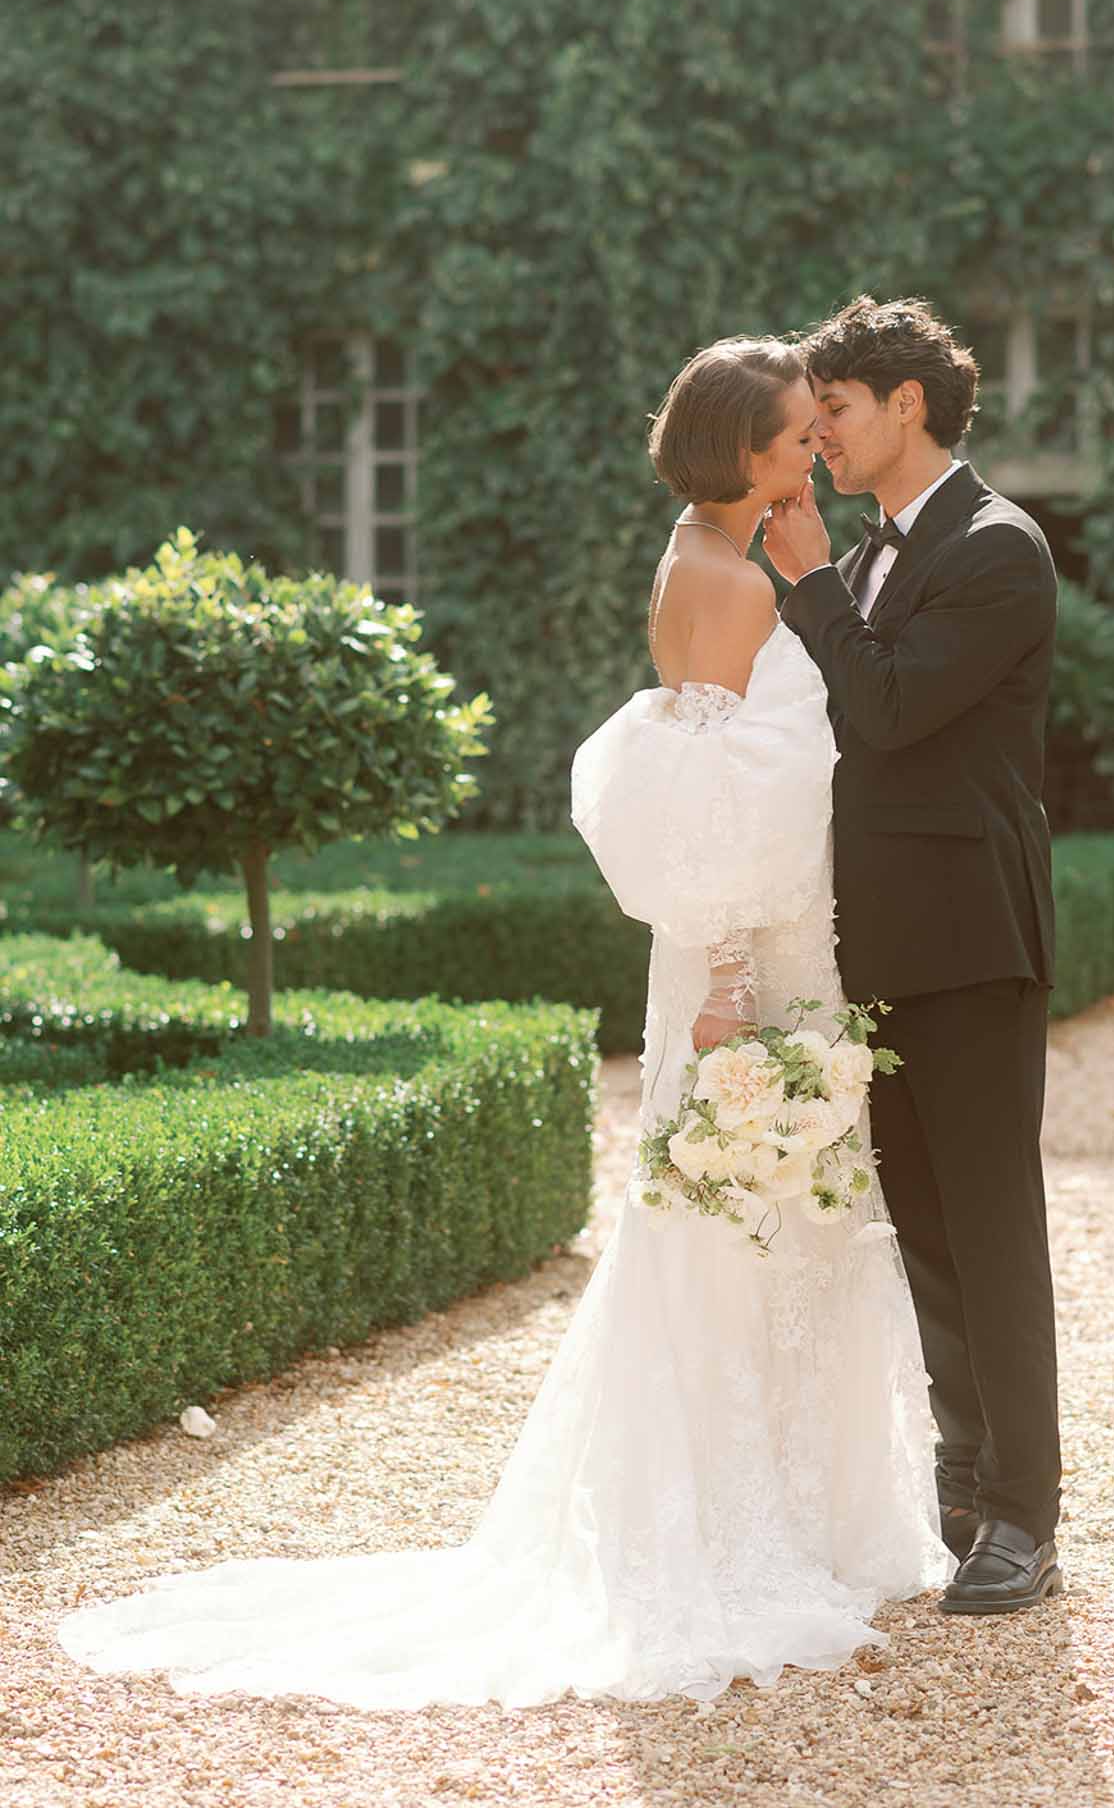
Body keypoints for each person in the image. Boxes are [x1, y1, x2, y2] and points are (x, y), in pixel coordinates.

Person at [57, 334, 948, 1712]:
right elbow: (706, 803)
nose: (814, 450)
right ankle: (724, 1530)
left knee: (778, 1219)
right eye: (793, 436)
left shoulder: (731, 552)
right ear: (740, 453)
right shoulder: (720, 579)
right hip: (745, 956)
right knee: (740, 1216)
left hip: (781, 937)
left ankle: (797, 1512)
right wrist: (724, 985)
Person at [763, 294, 1063, 1615]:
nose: (817, 433)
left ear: (906, 404)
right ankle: (961, 1488)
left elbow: (885, 710)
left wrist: (810, 586)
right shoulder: (874, 552)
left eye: (832, 409)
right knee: (926, 1230)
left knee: (991, 1231)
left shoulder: (998, 549)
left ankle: (1025, 1518)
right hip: (878, 938)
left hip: (973, 937)